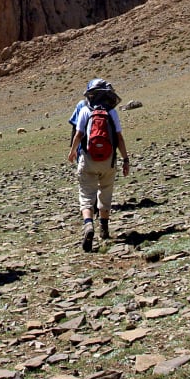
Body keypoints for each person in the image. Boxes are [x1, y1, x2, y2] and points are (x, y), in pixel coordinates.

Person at [67, 79, 130, 252]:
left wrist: (72, 152)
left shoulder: (85, 110)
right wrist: (125, 159)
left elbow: (78, 135)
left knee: (86, 195)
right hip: (108, 161)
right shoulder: (112, 113)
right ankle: (104, 229)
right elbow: (119, 138)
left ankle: (88, 225)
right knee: (106, 192)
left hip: (88, 159)